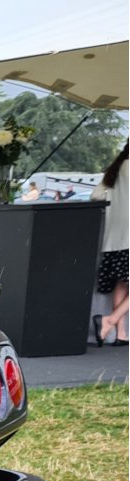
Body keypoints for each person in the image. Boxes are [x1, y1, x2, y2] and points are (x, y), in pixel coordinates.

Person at [91, 144, 129, 347]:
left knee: (121, 284)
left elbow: (95, 195)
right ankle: (110, 320)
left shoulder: (117, 167)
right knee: (123, 283)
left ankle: (121, 334)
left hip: (115, 236)